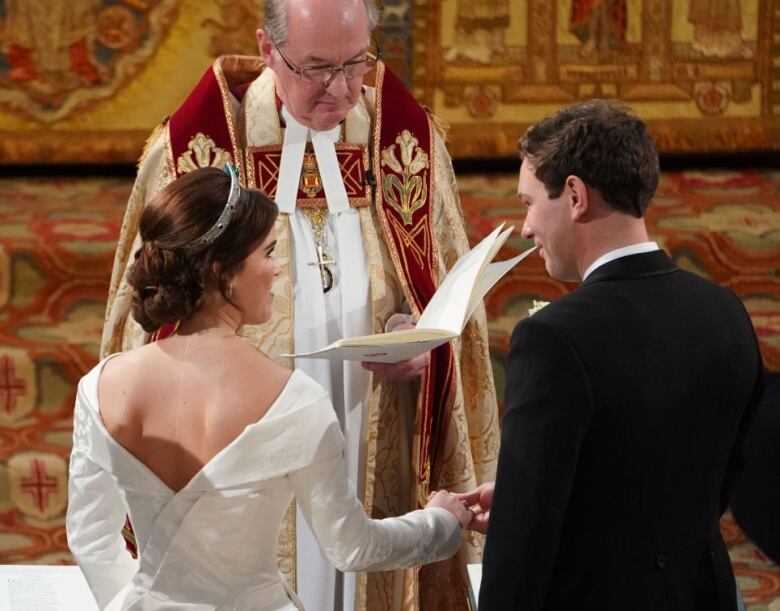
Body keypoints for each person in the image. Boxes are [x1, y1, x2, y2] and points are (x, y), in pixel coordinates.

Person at [100, 1, 499, 609]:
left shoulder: (406, 146)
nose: (339, 89)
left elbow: (441, 284)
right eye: (315, 68)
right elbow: (145, 317)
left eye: (355, 64)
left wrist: (414, 332)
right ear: (267, 49)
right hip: (241, 434)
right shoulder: (195, 154)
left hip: (375, 414)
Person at [67, 166, 473, 611]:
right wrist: (441, 523)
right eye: (269, 252)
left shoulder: (100, 387)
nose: (278, 269)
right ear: (224, 272)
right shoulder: (294, 400)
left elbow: (91, 537)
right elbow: (351, 546)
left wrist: (140, 602)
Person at [457, 99, 764, 610]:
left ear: (575, 195)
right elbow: (714, 481)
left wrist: (521, 510)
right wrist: (517, 501)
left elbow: (522, 552)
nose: (527, 226)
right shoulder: (726, 311)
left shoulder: (553, 339)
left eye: (530, 202)